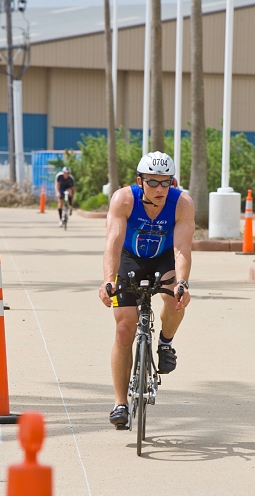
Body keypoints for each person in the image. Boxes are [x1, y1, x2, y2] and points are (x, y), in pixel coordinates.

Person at [98, 151, 195, 429]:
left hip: (165, 257)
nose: (160, 189)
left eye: (166, 183)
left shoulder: (182, 204)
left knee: (176, 297)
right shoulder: (124, 199)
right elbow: (113, 242)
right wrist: (108, 280)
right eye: (153, 182)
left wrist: (183, 283)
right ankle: (120, 403)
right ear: (140, 181)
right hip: (130, 257)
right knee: (124, 328)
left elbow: (181, 248)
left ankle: (165, 343)